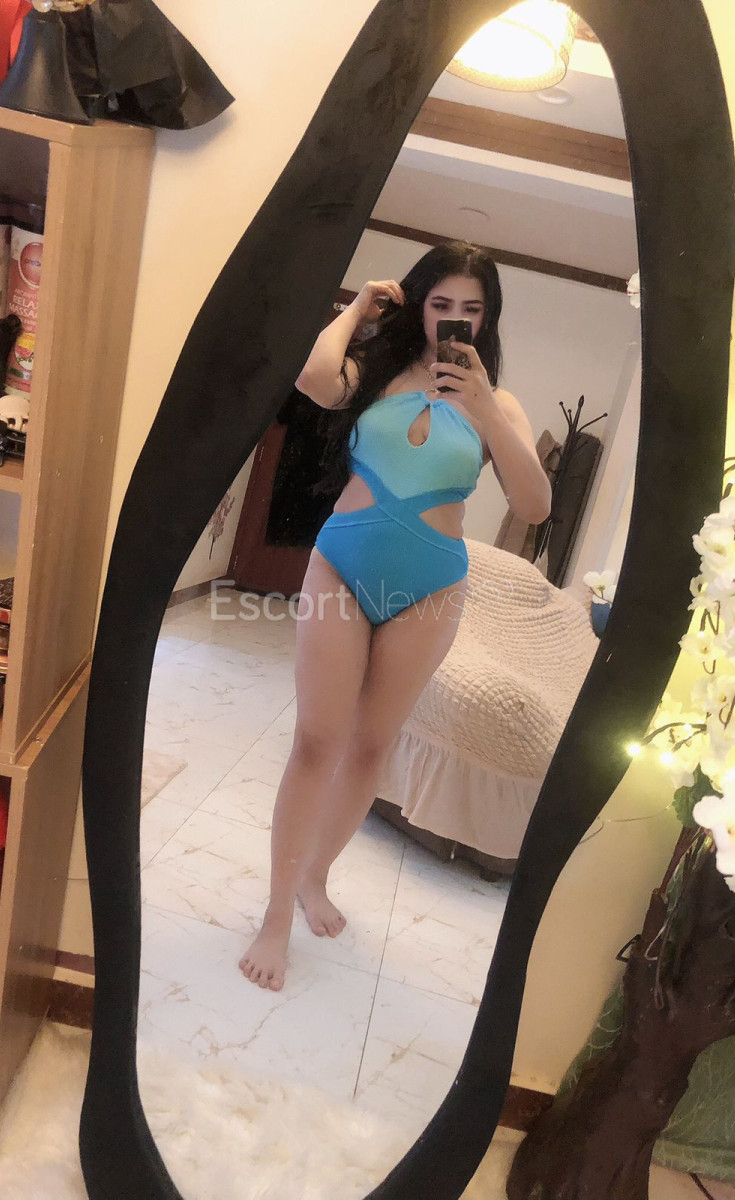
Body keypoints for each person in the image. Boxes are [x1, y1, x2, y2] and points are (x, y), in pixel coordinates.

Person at [239, 241, 552, 990]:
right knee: (317, 740)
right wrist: (357, 309)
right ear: (419, 304)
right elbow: (312, 376)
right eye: (441, 304)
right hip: (342, 568)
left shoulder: (499, 404)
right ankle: (276, 914)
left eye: (471, 308)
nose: (454, 320)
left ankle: (315, 877)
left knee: (371, 747)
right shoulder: (376, 372)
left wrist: (484, 406)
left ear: (489, 318)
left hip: (431, 587)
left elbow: (536, 505)